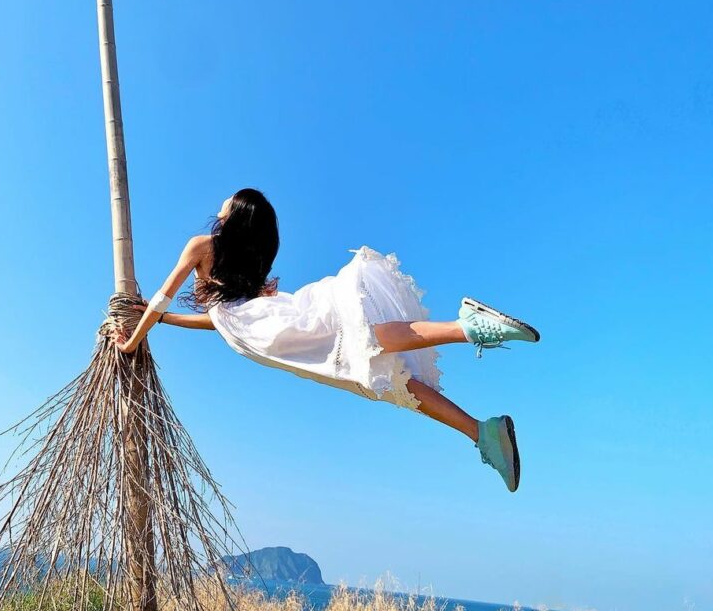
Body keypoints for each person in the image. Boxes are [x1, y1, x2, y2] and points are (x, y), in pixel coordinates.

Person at [115, 188, 540, 492]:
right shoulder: (237, 281)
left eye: (228, 202)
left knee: (365, 344)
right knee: (380, 377)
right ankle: (481, 433)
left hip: (274, 334)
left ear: (237, 214)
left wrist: (133, 340)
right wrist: (166, 322)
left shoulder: (202, 245)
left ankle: (467, 327)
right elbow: (220, 322)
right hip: (266, 332)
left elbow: (159, 297)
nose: (221, 204)